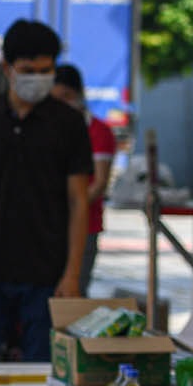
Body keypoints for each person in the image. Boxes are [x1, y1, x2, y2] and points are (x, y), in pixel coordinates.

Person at [0, 19, 94, 363]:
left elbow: (79, 201)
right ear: (8, 68)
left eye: (46, 70)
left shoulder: (69, 124)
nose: (38, 78)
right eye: (29, 69)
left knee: (43, 378)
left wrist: (72, 273)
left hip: (47, 274)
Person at [51, 64, 117, 295]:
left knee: (72, 294)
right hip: (47, 229)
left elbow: (99, 183)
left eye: (67, 96)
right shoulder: (46, 128)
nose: (61, 104)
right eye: (55, 98)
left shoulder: (98, 131)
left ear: (79, 95)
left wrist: (69, 208)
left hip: (84, 226)